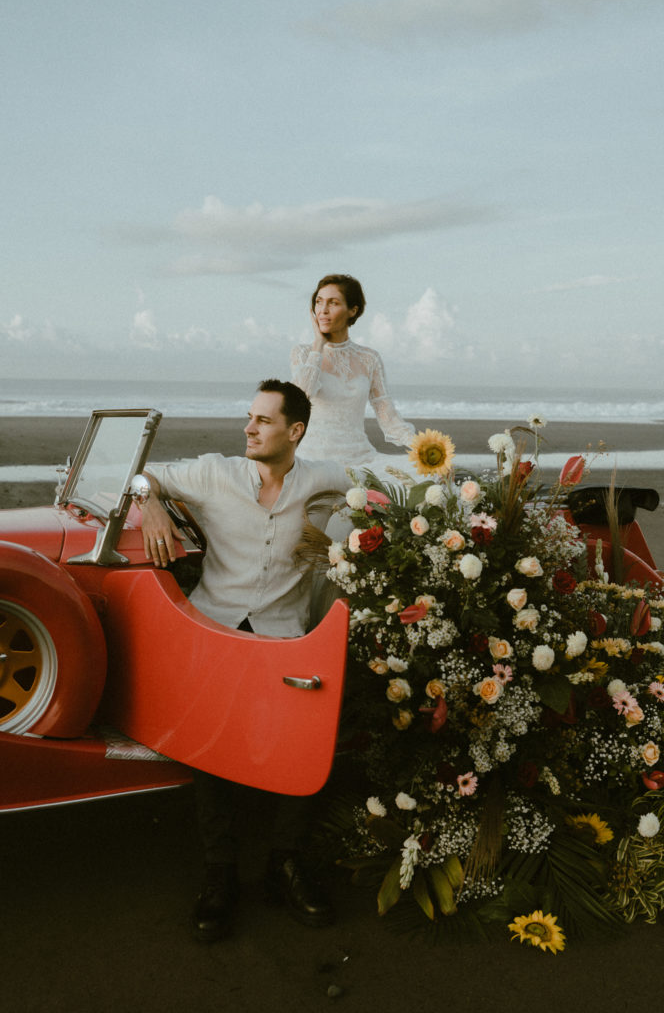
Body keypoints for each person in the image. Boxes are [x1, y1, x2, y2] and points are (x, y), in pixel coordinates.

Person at [138, 379, 349, 942]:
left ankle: (286, 863)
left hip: (284, 636)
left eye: (263, 420)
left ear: (295, 431)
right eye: (249, 417)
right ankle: (221, 872)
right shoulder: (215, 472)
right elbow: (142, 471)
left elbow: (379, 489)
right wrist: (152, 504)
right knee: (212, 750)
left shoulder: (323, 479)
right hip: (214, 631)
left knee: (304, 738)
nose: (249, 428)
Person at [290, 274, 415, 471]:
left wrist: (423, 447)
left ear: (352, 310)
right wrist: (318, 345)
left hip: (361, 459)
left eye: (333, 303)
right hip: (312, 462)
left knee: (429, 477)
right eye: (318, 302)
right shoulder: (304, 353)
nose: (323, 310)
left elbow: (388, 417)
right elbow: (300, 398)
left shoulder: (369, 358)